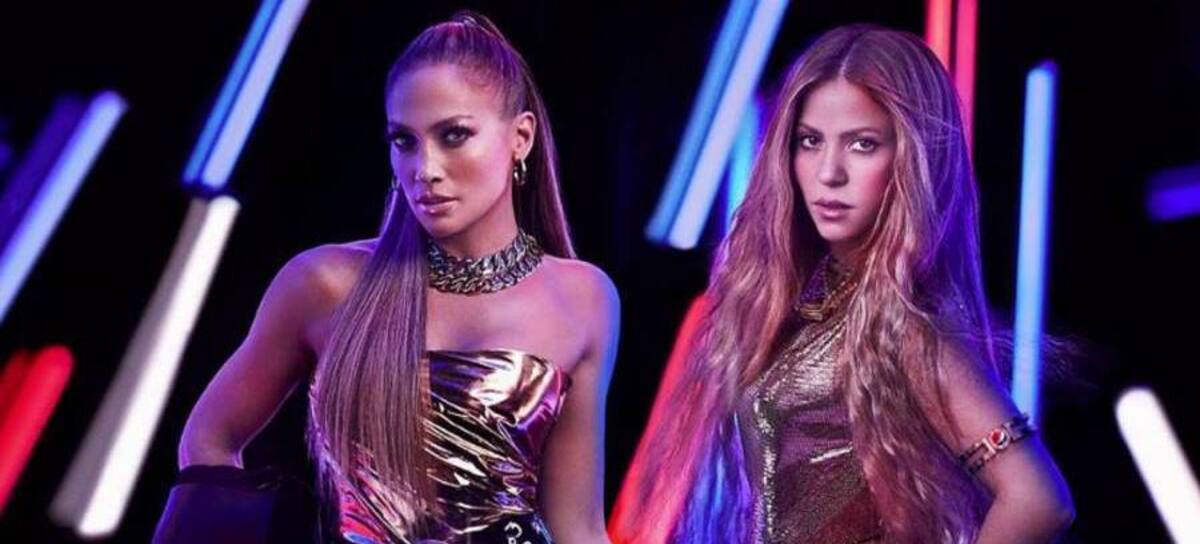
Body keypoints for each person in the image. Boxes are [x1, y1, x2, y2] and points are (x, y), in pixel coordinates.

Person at [611, 24, 1073, 544]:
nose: (829, 172)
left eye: (862, 144)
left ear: (912, 157)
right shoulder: (797, 306)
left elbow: (1040, 499)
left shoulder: (910, 332)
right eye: (810, 141)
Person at [168, 12, 619, 544]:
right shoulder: (324, 284)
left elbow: (578, 527)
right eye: (405, 141)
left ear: (520, 137)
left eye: (454, 135)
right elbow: (208, 440)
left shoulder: (583, 297)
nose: (425, 168)